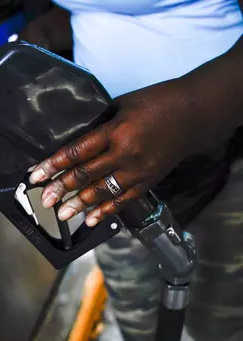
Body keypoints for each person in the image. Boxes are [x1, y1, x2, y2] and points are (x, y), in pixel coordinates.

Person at [20, 1, 243, 340]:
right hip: (112, 177)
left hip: (228, 156)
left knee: (220, 322)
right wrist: (43, 36)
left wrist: (189, 112)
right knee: (140, 321)